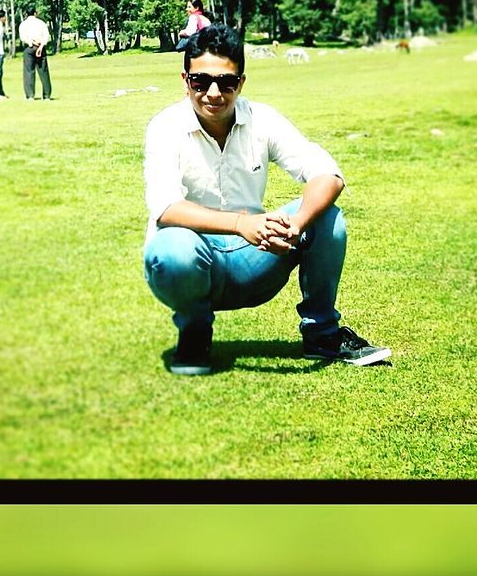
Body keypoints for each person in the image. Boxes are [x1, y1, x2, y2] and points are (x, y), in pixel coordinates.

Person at [142, 21, 390, 374]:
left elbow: (328, 174)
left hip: (254, 261)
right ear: (185, 81)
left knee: (329, 218)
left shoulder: (262, 119)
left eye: (226, 82)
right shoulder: (165, 126)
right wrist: (243, 223)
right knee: (172, 248)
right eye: (201, 81)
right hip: (191, 262)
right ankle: (194, 335)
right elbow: (166, 208)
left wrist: (297, 224)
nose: (214, 92)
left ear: (241, 83)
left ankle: (322, 334)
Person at [18, 6, 53, 100]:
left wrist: (32, 42)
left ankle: (30, 95)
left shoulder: (23, 24)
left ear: (26, 14)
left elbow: (23, 37)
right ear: (35, 13)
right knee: (44, 71)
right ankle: (46, 95)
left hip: (29, 48)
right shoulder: (41, 23)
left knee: (29, 71)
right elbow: (46, 36)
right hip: (41, 48)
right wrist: (41, 46)